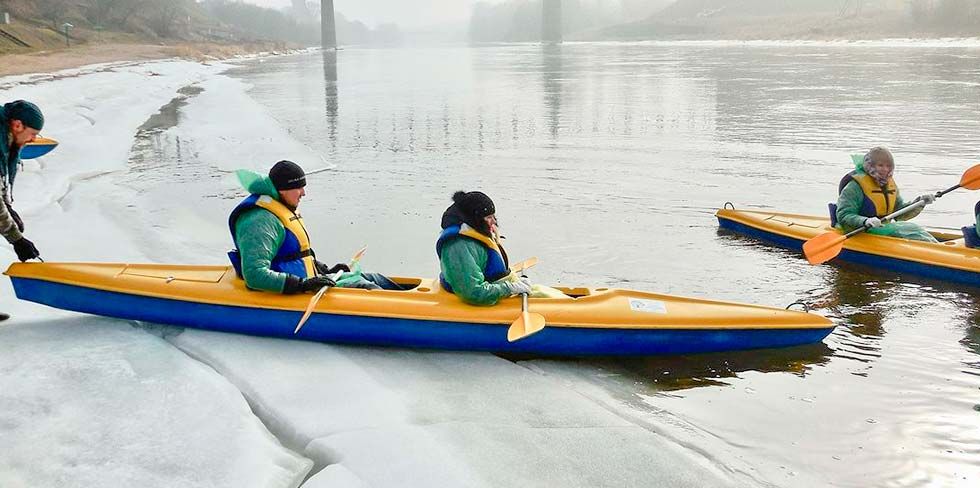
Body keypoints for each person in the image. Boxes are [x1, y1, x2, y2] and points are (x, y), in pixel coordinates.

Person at [228, 160, 401, 293]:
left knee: (374, 278)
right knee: (366, 286)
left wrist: (321, 268)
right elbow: (255, 275)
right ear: (282, 189)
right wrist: (302, 285)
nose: (304, 193)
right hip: (292, 288)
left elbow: (290, 254)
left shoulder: (278, 206)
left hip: (306, 280)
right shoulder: (260, 220)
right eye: (298, 187)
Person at [436, 191, 564, 306]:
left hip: (495, 289)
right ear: (473, 218)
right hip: (479, 296)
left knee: (547, 293)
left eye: (493, 216)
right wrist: (510, 288)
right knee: (547, 298)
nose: (493, 222)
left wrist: (514, 283)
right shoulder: (459, 246)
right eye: (488, 218)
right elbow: (472, 292)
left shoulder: (475, 230)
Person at [834, 146, 938, 243]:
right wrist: (865, 221)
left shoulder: (888, 184)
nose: (885, 169)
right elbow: (844, 216)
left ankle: (936, 247)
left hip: (882, 228)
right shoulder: (854, 187)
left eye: (888, 166)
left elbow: (900, 213)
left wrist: (920, 202)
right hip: (858, 229)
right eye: (880, 165)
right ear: (870, 166)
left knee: (914, 229)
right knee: (908, 232)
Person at [1, 100, 45, 322]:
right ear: (17, 125)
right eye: (33, 133)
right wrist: (17, 239)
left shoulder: (7, 139)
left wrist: (7, 206)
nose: (34, 140)